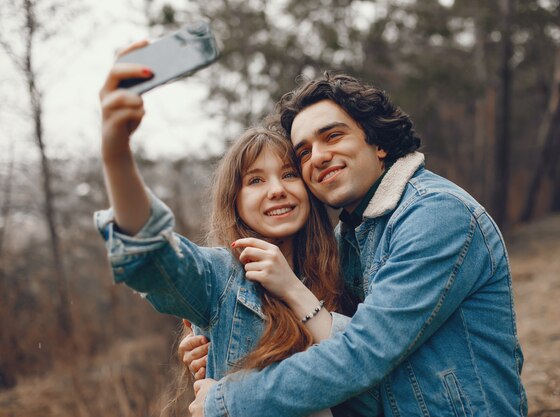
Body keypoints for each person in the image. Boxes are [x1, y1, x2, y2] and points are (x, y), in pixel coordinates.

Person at [189, 72, 528, 417]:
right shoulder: (349, 238)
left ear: (378, 143)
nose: (318, 156)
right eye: (303, 152)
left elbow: (362, 353)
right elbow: (331, 335)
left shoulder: (436, 215)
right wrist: (211, 341)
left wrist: (229, 401)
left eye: (332, 135)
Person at [95, 42, 380, 417]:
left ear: (309, 190)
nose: (277, 189)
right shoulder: (221, 276)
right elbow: (151, 255)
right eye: (256, 180)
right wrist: (116, 153)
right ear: (236, 201)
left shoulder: (344, 269)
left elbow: (377, 378)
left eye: (289, 174)